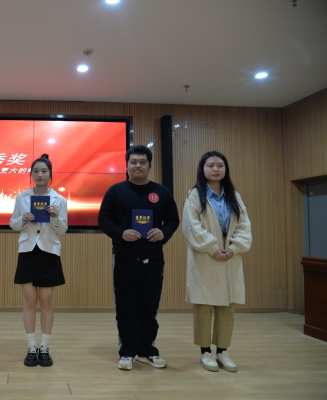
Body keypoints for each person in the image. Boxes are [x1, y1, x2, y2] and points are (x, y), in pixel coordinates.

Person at [98, 145, 180, 371]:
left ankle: (147, 350)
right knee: (126, 307)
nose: (138, 166)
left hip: (153, 259)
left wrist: (163, 233)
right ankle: (127, 351)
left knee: (149, 307)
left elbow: (173, 220)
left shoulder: (161, 192)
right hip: (124, 258)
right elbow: (104, 219)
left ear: (149, 166)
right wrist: (121, 233)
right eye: (133, 162)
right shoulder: (116, 191)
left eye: (142, 162)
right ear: (126, 165)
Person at [182, 151, 252, 373]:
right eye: (210, 165)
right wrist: (213, 249)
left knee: (227, 308)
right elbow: (192, 227)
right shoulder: (194, 195)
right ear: (202, 169)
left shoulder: (234, 196)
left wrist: (233, 248)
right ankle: (205, 351)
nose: (215, 169)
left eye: (220, 165)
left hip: (230, 257)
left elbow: (244, 226)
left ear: (225, 169)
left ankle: (222, 351)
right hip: (205, 256)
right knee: (203, 307)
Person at [10, 154, 68, 367]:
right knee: (29, 302)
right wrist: (23, 219)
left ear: (50, 174)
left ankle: (44, 347)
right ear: (31, 174)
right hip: (28, 251)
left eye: (44, 171)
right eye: (36, 171)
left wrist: (55, 217)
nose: (40, 174)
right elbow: (13, 224)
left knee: (46, 302)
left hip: (48, 252)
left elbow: (62, 229)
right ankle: (31, 347)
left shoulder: (59, 200)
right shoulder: (22, 197)